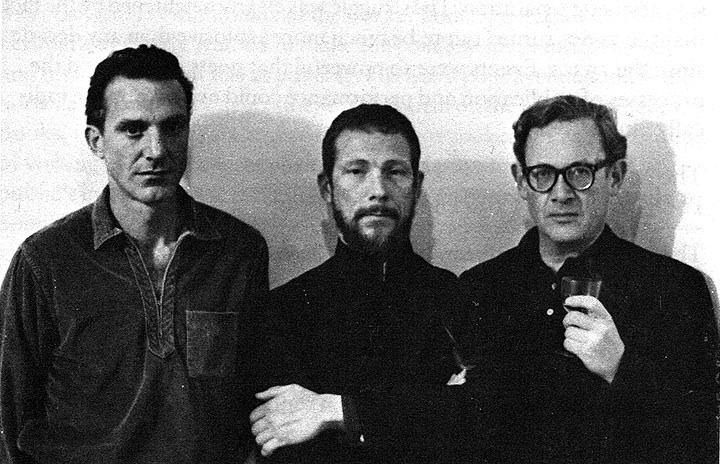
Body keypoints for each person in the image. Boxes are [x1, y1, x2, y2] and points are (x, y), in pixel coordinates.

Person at [0, 45, 269, 463]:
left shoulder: (238, 252)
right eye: (133, 129)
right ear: (97, 141)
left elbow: (255, 405)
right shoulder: (44, 262)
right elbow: (8, 419)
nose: (156, 149)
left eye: (172, 127)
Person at [459, 95, 718, 463]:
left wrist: (620, 369)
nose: (561, 194)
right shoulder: (478, 289)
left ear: (615, 177)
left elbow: (702, 443)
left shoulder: (678, 290)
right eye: (542, 174)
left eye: (580, 172)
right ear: (521, 181)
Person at [248, 104, 494, 463]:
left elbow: (484, 421)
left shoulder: (454, 298)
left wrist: (337, 411)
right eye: (356, 171)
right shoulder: (284, 312)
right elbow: (286, 447)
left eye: (395, 172)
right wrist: (431, 408)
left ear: (416, 186)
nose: (378, 190)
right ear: (327, 188)